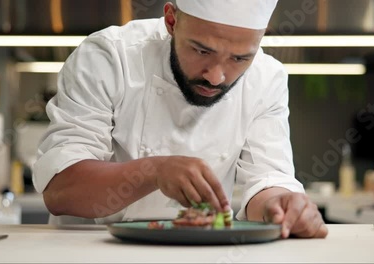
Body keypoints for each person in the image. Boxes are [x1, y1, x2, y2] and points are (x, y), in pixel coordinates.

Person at [33, 0, 328, 238]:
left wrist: (281, 206)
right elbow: (60, 192)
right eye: (201, 50)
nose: (216, 76)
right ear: (171, 20)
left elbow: (266, 182)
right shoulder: (110, 57)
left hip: (203, 254)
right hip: (90, 253)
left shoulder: (267, 78)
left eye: (239, 59)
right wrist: (153, 171)